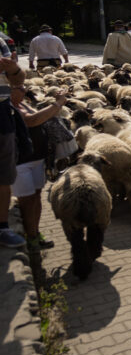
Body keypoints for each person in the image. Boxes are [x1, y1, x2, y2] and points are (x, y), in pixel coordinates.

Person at [10, 82, 68, 250]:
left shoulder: (21, 102)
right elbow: (33, 120)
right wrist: (58, 103)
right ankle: (32, 237)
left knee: (36, 197)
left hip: (36, 158)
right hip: (21, 162)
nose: (24, 89)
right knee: (27, 200)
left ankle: (34, 232)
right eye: (18, 87)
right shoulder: (7, 106)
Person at [0, 54, 27, 247]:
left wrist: (13, 70)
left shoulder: (0, 43)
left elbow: (19, 79)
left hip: (2, 115)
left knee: (4, 177)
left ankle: (3, 228)